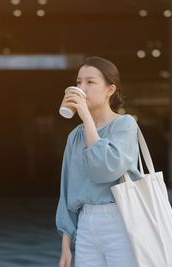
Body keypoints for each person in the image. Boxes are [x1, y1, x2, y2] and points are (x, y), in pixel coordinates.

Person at [56, 56, 142, 267]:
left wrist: (86, 117)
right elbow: (67, 189)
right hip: (86, 224)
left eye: (90, 82)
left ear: (110, 90)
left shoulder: (124, 125)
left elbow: (104, 170)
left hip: (120, 221)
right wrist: (66, 243)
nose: (81, 88)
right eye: (78, 82)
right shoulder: (75, 136)